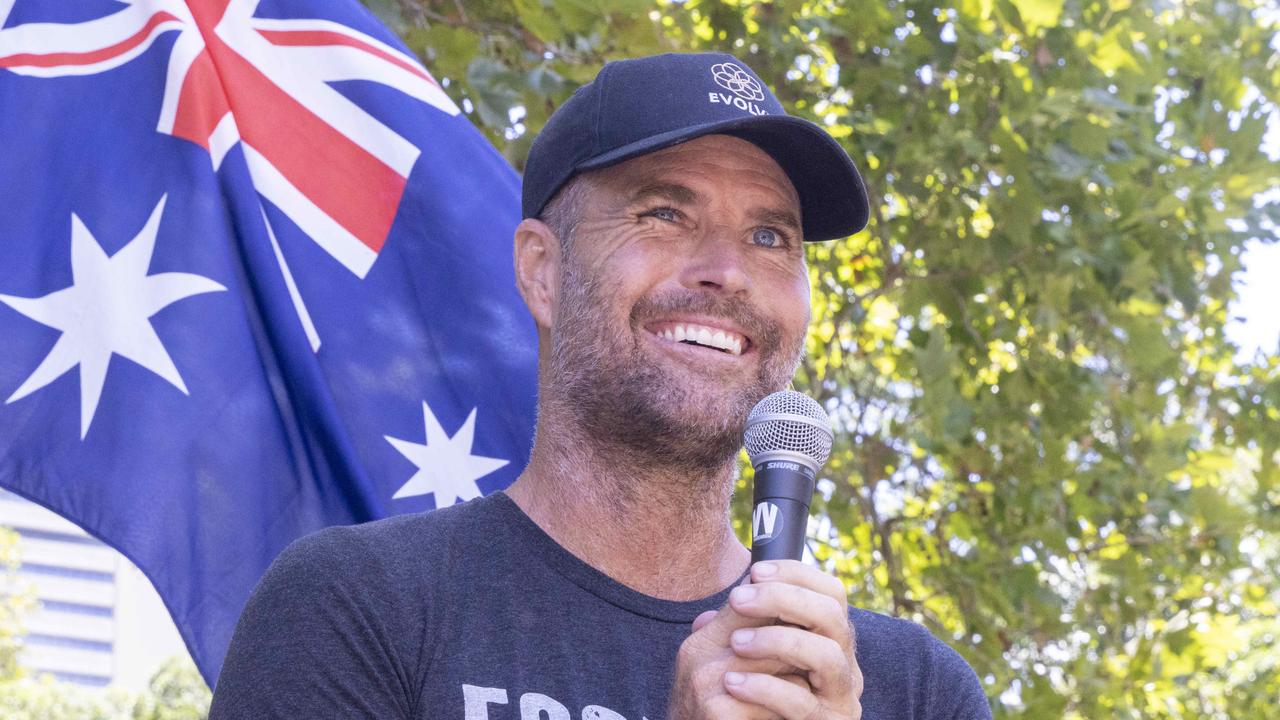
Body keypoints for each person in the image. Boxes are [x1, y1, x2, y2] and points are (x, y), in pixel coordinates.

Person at [209, 52, 992, 720]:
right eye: (663, 213)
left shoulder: (913, 691)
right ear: (542, 272)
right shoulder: (358, 608)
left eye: (769, 235)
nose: (727, 270)